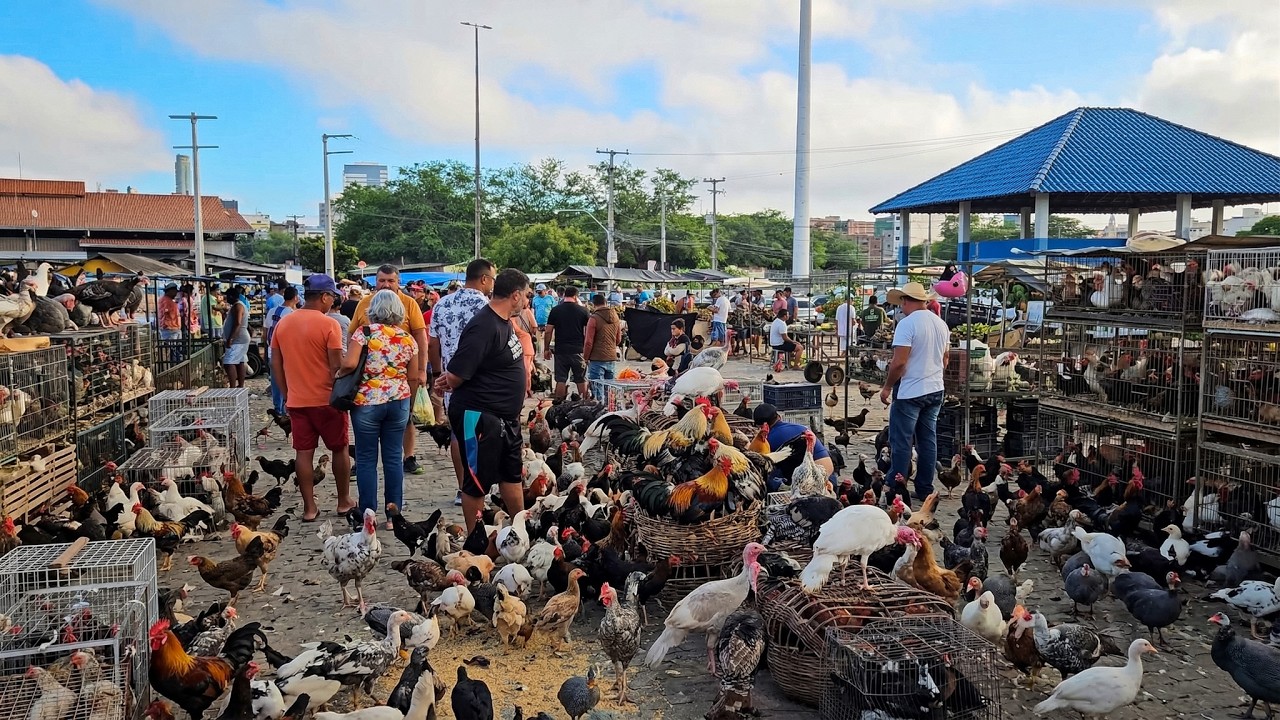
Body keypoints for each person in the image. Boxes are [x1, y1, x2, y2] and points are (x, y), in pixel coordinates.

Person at [434, 268, 530, 531]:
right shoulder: (484, 325)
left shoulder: (504, 322)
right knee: (476, 482)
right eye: (526, 296)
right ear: (515, 295)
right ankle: (476, 540)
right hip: (479, 416)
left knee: (511, 475)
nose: (527, 302)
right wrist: (447, 380)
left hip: (505, 418)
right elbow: (456, 374)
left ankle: (520, 530)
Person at [270, 274, 354, 521]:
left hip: (297, 401)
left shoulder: (283, 324)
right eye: (332, 297)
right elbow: (336, 365)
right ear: (325, 297)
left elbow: (276, 364)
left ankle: (309, 508)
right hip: (327, 400)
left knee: (303, 454)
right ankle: (343, 501)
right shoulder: (329, 325)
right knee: (339, 449)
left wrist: (287, 395)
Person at [339, 289, 418, 526]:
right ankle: (394, 516)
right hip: (398, 402)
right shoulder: (407, 338)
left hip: (367, 404)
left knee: (366, 459)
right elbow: (413, 376)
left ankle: (368, 515)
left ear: (372, 310)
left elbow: (351, 363)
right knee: (394, 458)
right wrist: (408, 400)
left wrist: (340, 372)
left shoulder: (363, 334)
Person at [351, 265, 429, 476]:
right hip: (368, 380)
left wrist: (422, 369)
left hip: (401, 375)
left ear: (398, 282)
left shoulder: (409, 304)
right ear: (375, 282)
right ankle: (363, 460)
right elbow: (350, 336)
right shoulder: (364, 304)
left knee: (407, 418)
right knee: (368, 429)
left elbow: (421, 338)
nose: (386, 284)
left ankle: (409, 456)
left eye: (390, 281)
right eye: (382, 280)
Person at [429, 258, 495, 506]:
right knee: (481, 434)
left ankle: (462, 488)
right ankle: (479, 488)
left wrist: (437, 375)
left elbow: (433, 343)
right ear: (484, 279)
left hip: (450, 381)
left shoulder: (441, 304)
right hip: (482, 381)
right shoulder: (487, 307)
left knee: (458, 434)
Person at [880, 281, 951, 504]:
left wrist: (888, 386)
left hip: (911, 390)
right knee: (927, 440)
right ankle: (924, 488)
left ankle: (896, 486)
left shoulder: (907, 324)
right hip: (935, 388)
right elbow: (945, 360)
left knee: (901, 441)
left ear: (906, 301)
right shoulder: (941, 324)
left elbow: (898, 363)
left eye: (902, 301)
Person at [752, 403, 835, 491]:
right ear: (779, 416)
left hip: (810, 481)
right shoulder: (800, 427)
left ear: (761, 426)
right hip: (829, 475)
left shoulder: (767, 439)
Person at [543, 286, 589, 400]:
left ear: (564, 295)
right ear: (576, 296)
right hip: (578, 350)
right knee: (581, 379)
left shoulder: (556, 310)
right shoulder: (583, 311)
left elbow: (548, 331)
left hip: (561, 350)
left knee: (561, 379)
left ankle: (558, 406)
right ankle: (584, 404)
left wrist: (546, 348)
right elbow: (588, 333)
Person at [264, 287, 300, 415]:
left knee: (275, 381)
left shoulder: (272, 311)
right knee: (288, 380)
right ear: (295, 298)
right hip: (287, 352)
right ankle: (288, 407)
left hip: (271, 351)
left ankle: (277, 408)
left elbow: (265, 332)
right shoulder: (292, 314)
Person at [583, 293, 622, 395]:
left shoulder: (593, 319)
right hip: (611, 357)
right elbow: (618, 339)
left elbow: (588, 342)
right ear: (605, 302)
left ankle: (600, 409)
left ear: (593, 304)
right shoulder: (616, 317)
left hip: (596, 358)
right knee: (609, 390)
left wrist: (585, 358)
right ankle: (609, 409)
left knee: (597, 389)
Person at [221, 286, 250, 388]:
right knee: (240, 361)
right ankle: (240, 385)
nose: (226, 298)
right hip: (240, 338)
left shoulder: (238, 306)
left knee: (229, 362)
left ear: (232, 296)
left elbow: (237, 323)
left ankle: (233, 386)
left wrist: (231, 338)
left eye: (227, 296)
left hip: (238, 339)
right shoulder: (237, 306)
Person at [510, 294, 538, 398]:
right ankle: (527, 389)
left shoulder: (512, 315)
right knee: (527, 369)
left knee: (525, 369)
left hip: (523, 344)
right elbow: (534, 326)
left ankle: (527, 390)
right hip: (525, 343)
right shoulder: (526, 312)